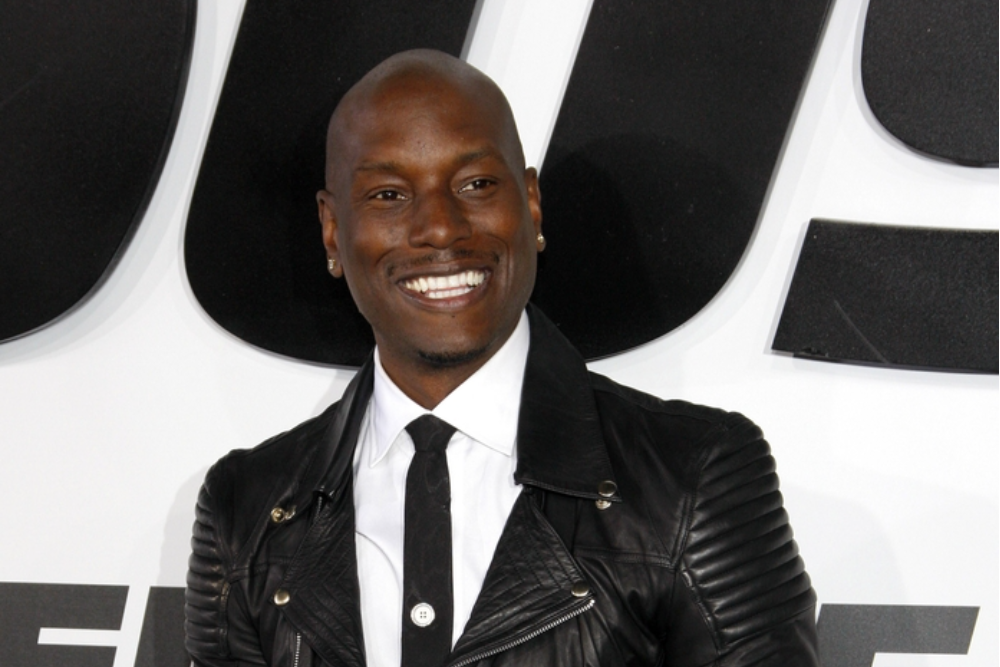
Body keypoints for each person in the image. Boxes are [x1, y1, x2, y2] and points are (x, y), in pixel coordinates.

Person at [184, 49, 818, 666]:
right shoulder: (243, 511)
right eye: (389, 195)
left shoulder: (692, 480)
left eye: (476, 184)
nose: (440, 227)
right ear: (331, 229)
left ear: (531, 205)